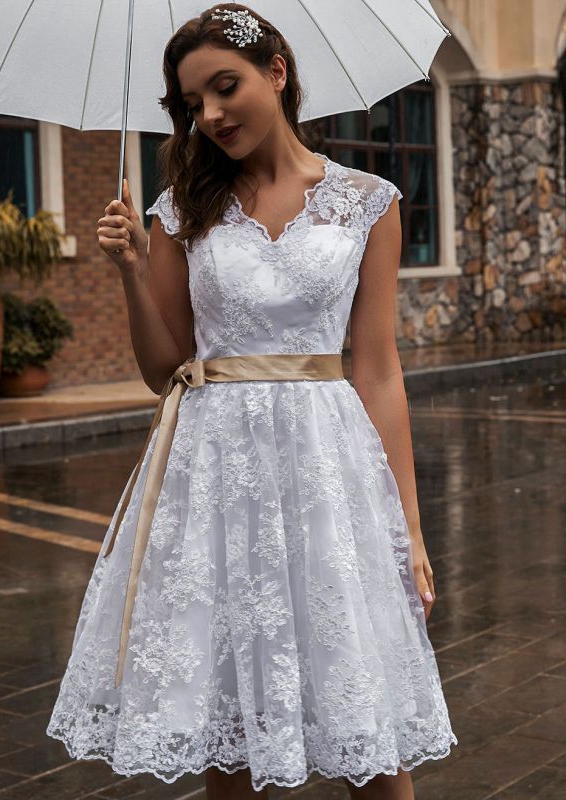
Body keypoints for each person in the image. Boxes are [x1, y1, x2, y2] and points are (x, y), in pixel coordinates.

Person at [46, 4, 457, 798]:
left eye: (224, 87)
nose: (212, 115)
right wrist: (134, 269)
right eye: (192, 103)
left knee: (364, 713)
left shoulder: (368, 202)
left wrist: (407, 524)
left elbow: (376, 369)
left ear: (277, 70)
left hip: (327, 470)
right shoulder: (181, 209)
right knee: (223, 724)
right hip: (215, 474)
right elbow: (164, 368)